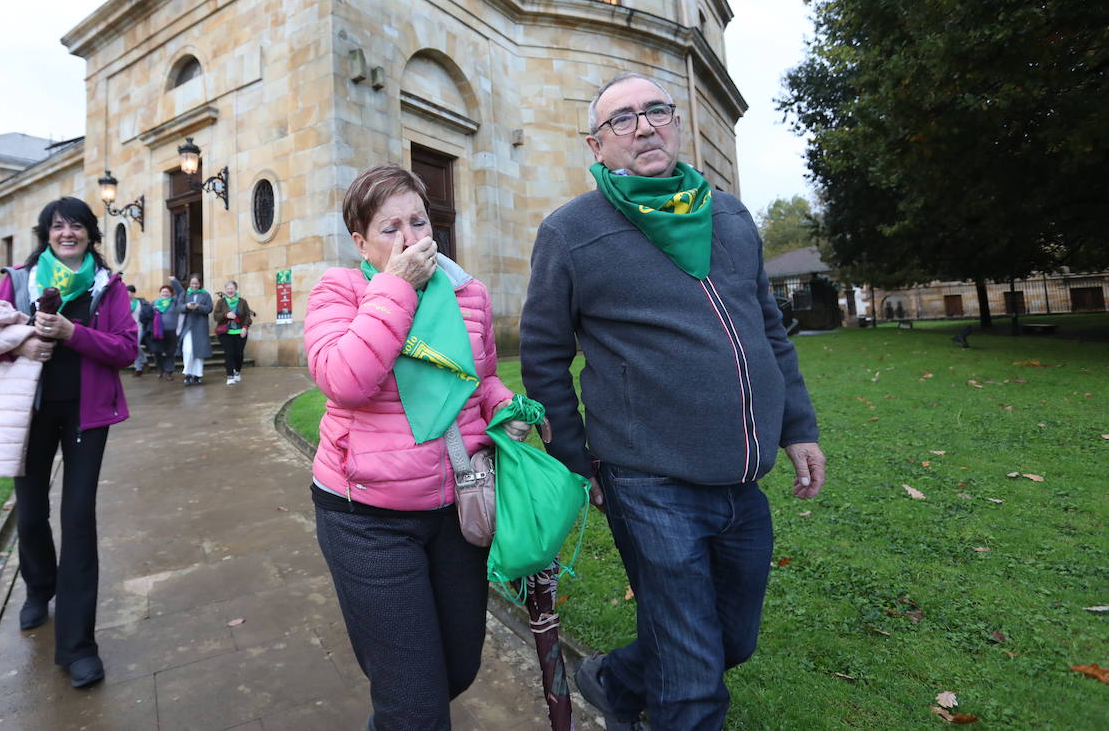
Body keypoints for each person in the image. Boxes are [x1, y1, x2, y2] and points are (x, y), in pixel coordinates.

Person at [520, 72, 827, 731]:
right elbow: (543, 358)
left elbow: (768, 329)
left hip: (741, 478)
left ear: (677, 123)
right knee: (692, 681)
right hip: (648, 480)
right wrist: (575, 461)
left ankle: (614, 680)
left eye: (656, 110)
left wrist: (798, 427)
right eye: (622, 119)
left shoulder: (730, 216)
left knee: (732, 639)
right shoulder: (570, 232)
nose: (644, 127)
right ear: (596, 145)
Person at [305, 164, 522, 730]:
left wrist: (505, 408)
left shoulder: (468, 292)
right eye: (390, 228)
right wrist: (396, 286)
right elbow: (344, 379)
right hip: (366, 518)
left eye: (419, 222)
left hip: (456, 509)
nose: (410, 238)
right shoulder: (340, 290)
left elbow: (482, 379)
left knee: (457, 669)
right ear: (361, 243)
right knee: (415, 704)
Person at [0, 196, 138, 689]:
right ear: (46, 234)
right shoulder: (19, 281)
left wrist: (73, 332)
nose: (67, 233)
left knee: (78, 519)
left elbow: (127, 348)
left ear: (91, 233)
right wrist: (22, 342)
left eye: (76, 226)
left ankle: (78, 646)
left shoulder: (107, 285)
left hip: (85, 415)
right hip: (28, 414)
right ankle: (37, 588)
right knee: (30, 512)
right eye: (58, 226)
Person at [172, 274, 213, 385]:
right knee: (188, 350)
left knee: (199, 352)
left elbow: (209, 308)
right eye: (192, 283)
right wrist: (186, 306)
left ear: (200, 284)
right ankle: (188, 374)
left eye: (196, 283)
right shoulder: (184, 294)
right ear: (189, 283)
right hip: (188, 326)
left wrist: (198, 307)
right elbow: (178, 307)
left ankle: (197, 375)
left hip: (200, 327)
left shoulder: (205, 295)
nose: (194, 286)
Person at [212, 281, 254, 385]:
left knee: (238, 354)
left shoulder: (242, 301)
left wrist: (245, 327)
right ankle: (230, 376)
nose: (230, 290)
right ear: (225, 290)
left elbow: (247, 316)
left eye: (232, 288)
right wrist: (226, 315)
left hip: (240, 332)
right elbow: (216, 316)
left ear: (235, 289)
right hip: (225, 333)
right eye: (228, 288)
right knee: (229, 353)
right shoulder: (221, 302)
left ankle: (237, 371)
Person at [148, 284, 180, 381]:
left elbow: (181, 293)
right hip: (157, 332)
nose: (165, 293)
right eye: (163, 291)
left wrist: (174, 281)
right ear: (160, 293)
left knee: (170, 352)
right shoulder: (154, 303)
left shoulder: (174, 302)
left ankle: (169, 372)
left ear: (171, 294)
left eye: (167, 292)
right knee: (157, 351)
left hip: (171, 331)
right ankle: (160, 369)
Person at [127, 284, 152, 376]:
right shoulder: (123, 302)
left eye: (129, 292)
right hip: (127, 328)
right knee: (134, 347)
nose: (127, 294)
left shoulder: (140, 302)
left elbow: (146, 313)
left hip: (139, 326)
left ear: (133, 293)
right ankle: (143, 363)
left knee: (135, 345)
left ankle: (138, 368)